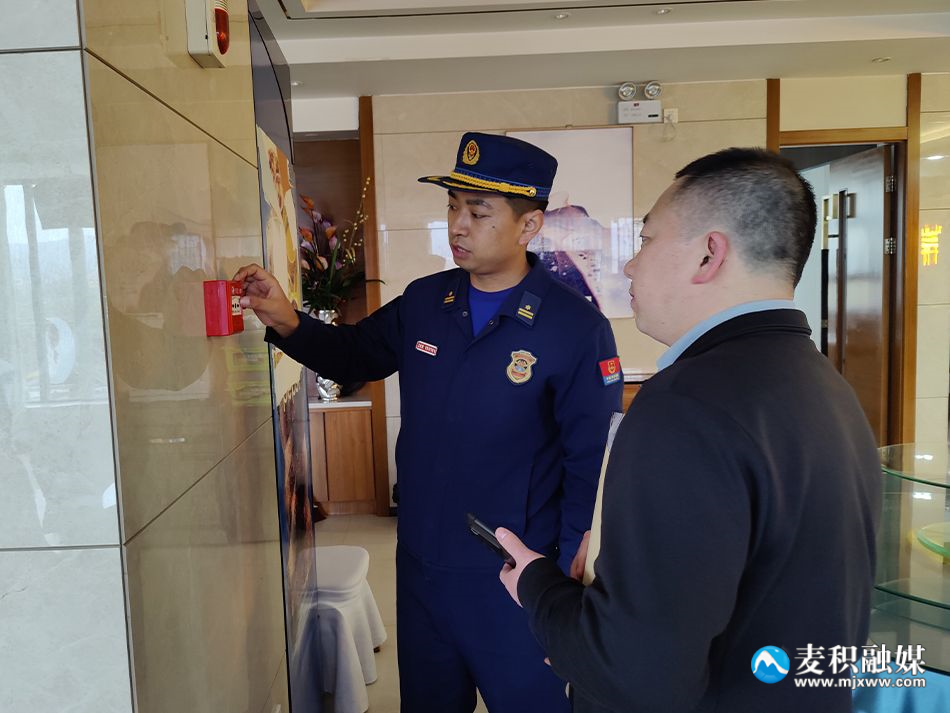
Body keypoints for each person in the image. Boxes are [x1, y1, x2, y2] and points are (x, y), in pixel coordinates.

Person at [234, 132, 623, 713]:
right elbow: (354, 355)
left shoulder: (574, 327)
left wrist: (569, 581)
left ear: (529, 225)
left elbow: (589, 461)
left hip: (516, 576)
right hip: (422, 565)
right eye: (452, 207)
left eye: (478, 213)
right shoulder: (426, 302)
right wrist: (286, 319)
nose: (457, 226)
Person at [496, 148, 881, 713]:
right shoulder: (823, 384)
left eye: (647, 240)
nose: (630, 266)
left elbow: (636, 676)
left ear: (708, 254)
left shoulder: (685, 405)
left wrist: (538, 588)